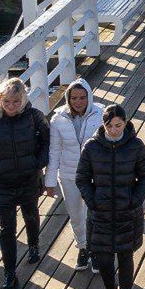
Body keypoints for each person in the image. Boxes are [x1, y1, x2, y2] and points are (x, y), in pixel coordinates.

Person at [0, 77, 50, 289]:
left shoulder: (35, 117)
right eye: (7, 102)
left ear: (24, 99)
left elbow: (47, 141)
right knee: (7, 229)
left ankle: (33, 244)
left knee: (31, 215)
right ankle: (9, 273)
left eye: (16, 101)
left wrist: (38, 163)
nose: (11, 106)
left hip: (28, 179)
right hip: (3, 182)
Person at [75, 102, 145, 289]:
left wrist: (135, 200)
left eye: (119, 125)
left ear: (125, 123)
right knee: (104, 260)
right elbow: (82, 177)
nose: (115, 130)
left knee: (126, 258)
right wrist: (92, 201)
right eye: (110, 126)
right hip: (101, 214)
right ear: (104, 125)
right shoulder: (91, 147)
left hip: (128, 212)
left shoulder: (136, 146)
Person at [45, 78, 103, 266]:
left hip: (94, 174)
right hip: (69, 175)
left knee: (95, 213)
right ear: (68, 99)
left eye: (82, 98)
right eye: (74, 98)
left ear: (89, 97)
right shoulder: (57, 119)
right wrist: (50, 181)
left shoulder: (100, 114)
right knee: (76, 214)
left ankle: (96, 249)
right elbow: (54, 150)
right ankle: (83, 247)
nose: (78, 102)